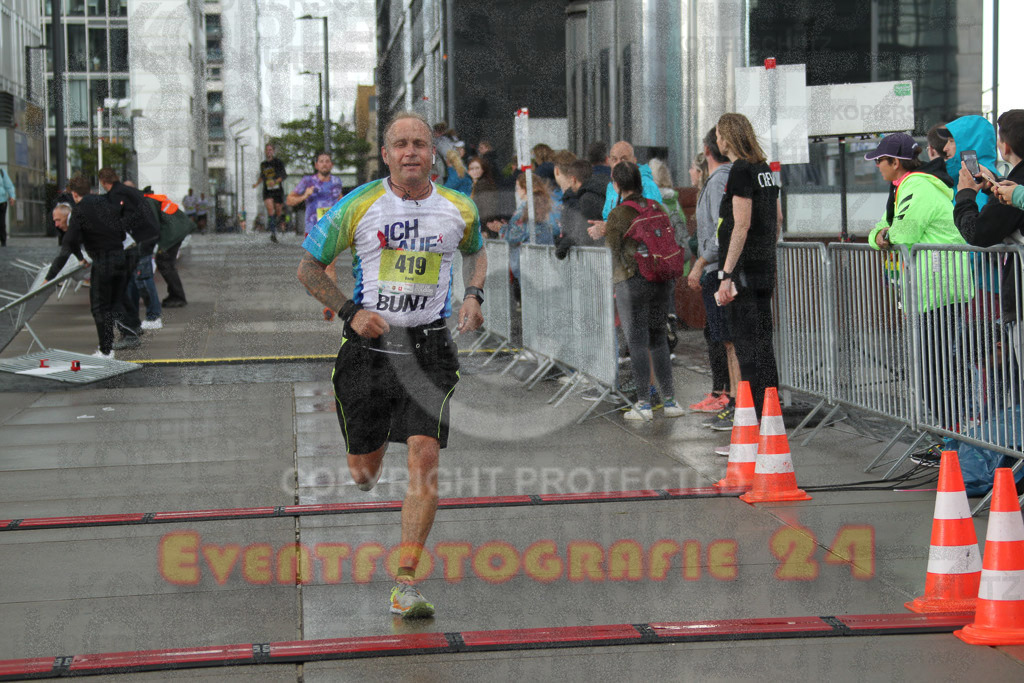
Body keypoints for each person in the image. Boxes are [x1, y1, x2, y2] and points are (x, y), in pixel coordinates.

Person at [297, 110, 486, 619]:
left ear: (432, 154)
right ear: (386, 154)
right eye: (400, 144)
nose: (410, 152)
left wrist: (473, 295)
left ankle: (405, 582)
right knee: (364, 472)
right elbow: (307, 267)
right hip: (368, 352)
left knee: (424, 455)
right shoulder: (357, 206)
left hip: (430, 349)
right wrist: (351, 311)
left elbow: (477, 251)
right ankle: (368, 447)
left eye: (419, 144)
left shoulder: (458, 208)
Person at [867, 132, 975, 443]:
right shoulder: (911, 185)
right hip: (936, 288)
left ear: (895, 162)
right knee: (934, 368)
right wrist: (883, 233)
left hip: (938, 288)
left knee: (932, 371)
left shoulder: (915, 185)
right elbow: (891, 228)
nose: (876, 166)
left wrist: (881, 234)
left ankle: (956, 439)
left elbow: (903, 232)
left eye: (879, 160)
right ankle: (954, 437)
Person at [714, 113, 783, 426]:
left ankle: (753, 428)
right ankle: (771, 422)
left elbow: (740, 225)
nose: (717, 140)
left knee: (748, 349)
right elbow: (777, 220)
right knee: (764, 345)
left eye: (718, 134)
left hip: (743, 272)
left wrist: (727, 275)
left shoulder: (741, 169)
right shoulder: (764, 169)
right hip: (763, 268)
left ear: (726, 138)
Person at [604, 162, 685, 421]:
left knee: (637, 341)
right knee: (658, 339)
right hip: (661, 281)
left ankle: (643, 404)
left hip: (632, 283)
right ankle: (670, 402)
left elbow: (612, 252)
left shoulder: (618, 214)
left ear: (616, 184)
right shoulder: (656, 206)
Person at [957, 111, 1024, 368]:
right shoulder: (1016, 185)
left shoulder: (1018, 185)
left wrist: (965, 194)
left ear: (1005, 146)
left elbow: (977, 233)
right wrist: (996, 185)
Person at [44, 175, 127, 359]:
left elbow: (69, 242)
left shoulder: (79, 211)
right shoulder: (105, 203)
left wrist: (78, 259)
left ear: (74, 194)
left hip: (103, 260)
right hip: (121, 257)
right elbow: (121, 233)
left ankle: (106, 351)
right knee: (114, 304)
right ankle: (122, 337)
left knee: (99, 307)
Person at [688, 128, 739, 416]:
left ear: (708, 150)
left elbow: (723, 229)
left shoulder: (721, 179)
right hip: (720, 267)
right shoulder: (725, 178)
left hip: (719, 268)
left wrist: (701, 261)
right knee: (722, 336)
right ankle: (730, 398)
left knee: (727, 338)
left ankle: (732, 399)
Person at [100, 168, 159, 350]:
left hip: (140, 241)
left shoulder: (118, 193)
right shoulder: (129, 191)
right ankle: (136, 324)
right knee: (133, 282)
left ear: (103, 182)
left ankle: (145, 321)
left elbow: (124, 218)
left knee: (136, 282)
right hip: (147, 237)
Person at [500, 171, 557, 298]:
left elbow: (514, 236)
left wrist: (502, 228)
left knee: (532, 299)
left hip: (527, 261)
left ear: (525, 189)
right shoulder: (545, 204)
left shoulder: (525, 209)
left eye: (518, 188)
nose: (517, 191)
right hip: (545, 257)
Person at [942, 115, 999, 211]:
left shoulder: (980, 186)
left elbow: (972, 225)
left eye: (951, 141)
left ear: (970, 145)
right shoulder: (961, 179)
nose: (945, 148)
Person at [554, 159, 606, 258]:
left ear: (573, 179)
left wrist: (563, 245)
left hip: (597, 256)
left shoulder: (587, 199)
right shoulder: (598, 192)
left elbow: (584, 231)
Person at [287, 152, 345, 238]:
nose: (324, 164)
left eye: (327, 161)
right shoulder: (308, 181)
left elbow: (341, 200)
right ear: (316, 165)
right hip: (313, 229)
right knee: (312, 252)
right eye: (321, 161)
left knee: (329, 252)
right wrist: (305, 196)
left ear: (331, 164)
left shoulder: (337, 181)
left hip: (332, 228)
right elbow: (289, 201)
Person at [253, 143, 287, 242]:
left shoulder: (278, 162)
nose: (269, 152)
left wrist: (275, 181)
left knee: (278, 212)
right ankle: (273, 233)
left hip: (277, 191)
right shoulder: (263, 165)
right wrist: (256, 184)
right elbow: (262, 176)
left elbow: (284, 175)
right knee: (270, 211)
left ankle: (278, 222)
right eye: (267, 150)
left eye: (270, 150)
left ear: (273, 151)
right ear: (265, 151)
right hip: (267, 191)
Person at [467, 156, 501, 237]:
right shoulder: (476, 185)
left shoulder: (484, 185)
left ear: (483, 169)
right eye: (471, 169)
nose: (474, 171)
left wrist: (484, 230)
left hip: (484, 228)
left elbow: (487, 210)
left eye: (477, 168)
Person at [0, 165, 15, 247]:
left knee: (1, 223)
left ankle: (3, 241)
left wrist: (12, 196)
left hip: (2, 202)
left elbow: (9, 186)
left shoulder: (1, 172)